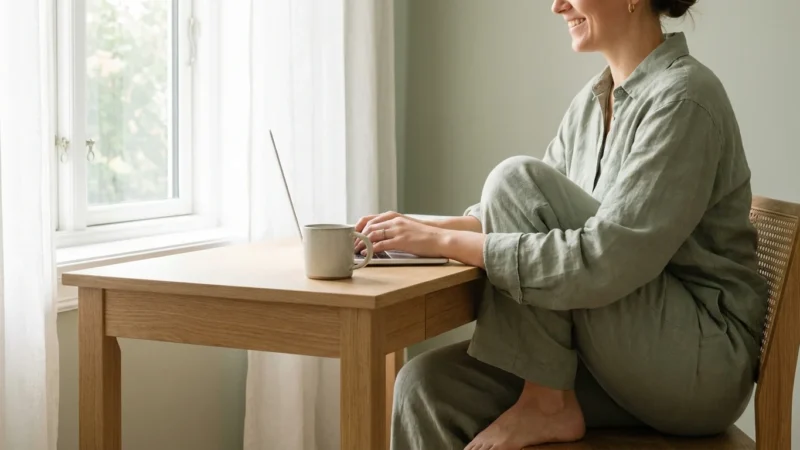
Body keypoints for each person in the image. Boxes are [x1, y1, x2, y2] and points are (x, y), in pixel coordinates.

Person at [354, 0, 768, 448]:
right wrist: (414, 232)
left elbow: (603, 260)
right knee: (425, 387)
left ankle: (546, 401)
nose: (557, 5)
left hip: (699, 364)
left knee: (515, 177)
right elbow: (524, 216)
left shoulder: (686, 98)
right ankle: (545, 398)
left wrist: (446, 240)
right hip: (622, 350)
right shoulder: (592, 102)